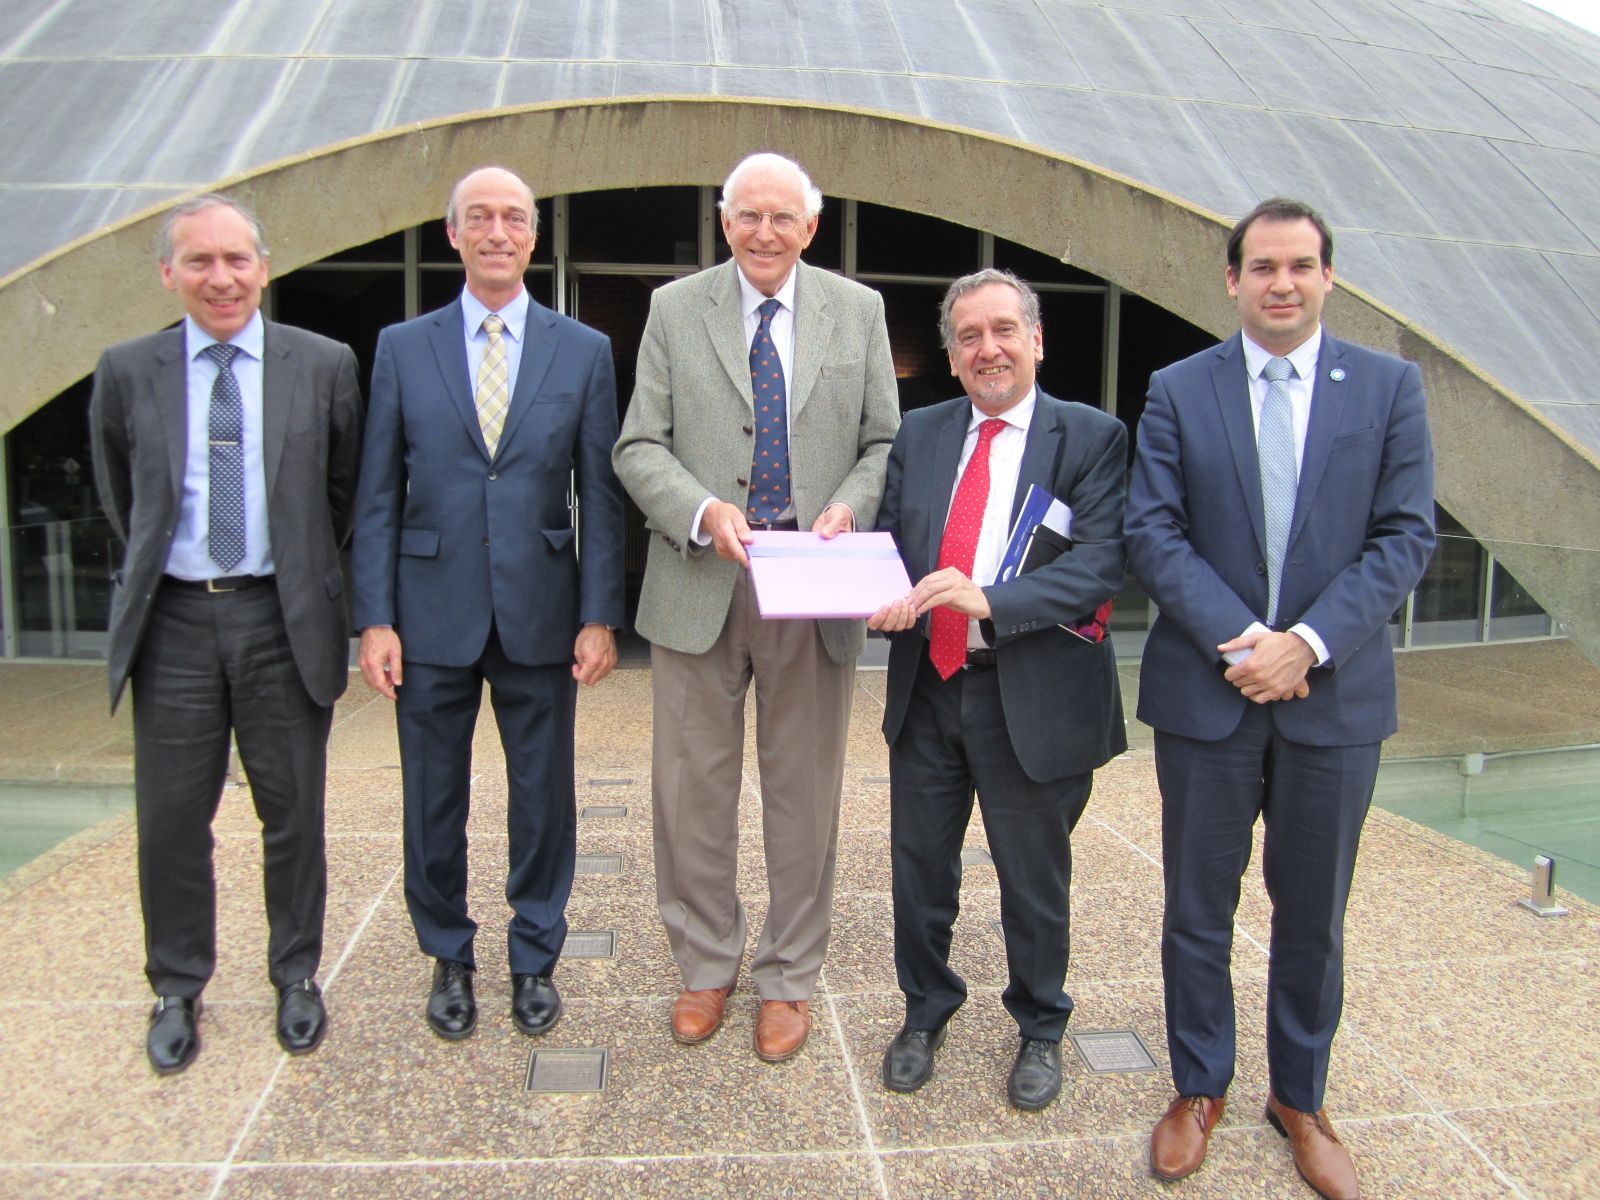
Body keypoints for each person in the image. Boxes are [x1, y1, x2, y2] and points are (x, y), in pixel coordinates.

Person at [1125, 198, 1435, 1200]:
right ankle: (1198, 1086)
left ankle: (1299, 1098)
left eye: (1301, 265)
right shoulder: (1179, 388)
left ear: (1328, 276)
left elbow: (1405, 535)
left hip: (1332, 701)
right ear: (1232, 280)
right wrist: (1246, 643)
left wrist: (1304, 644)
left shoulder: (1388, 388)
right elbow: (1152, 531)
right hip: (1208, 695)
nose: (1282, 283)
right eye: (1262, 266)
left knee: (1313, 913)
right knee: (1196, 908)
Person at [613, 151, 899, 1062]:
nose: (764, 232)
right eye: (748, 215)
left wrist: (849, 504)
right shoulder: (673, 309)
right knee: (690, 789)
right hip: (701, 575)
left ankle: (787, 976)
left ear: (811, 226)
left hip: (812, 581)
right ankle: (705, 964)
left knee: (803, 791)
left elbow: (883, 441)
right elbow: (638, 445)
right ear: (723, 221)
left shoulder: (858, 310)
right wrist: (702, 510)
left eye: (782, 217)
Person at [89, 194, 364, 1074]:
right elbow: (121, 497)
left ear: (264, 268)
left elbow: (340, 494)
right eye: (199, 261)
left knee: (293, 813)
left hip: (280, 615)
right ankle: (177, 985)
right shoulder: (126, 370)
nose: (221, 278)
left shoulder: (322, 364)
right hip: (173, 621)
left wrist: (296, 576)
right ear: (168, 273)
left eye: (236, 259)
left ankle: (296, 975)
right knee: (172, 819)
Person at [351, 166, 625, 1041]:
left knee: (542, 799)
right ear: (454, 234)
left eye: (513, 218)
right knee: (433, 798)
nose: (497, 232)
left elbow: (600, 494)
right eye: (480, 217)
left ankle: (534, 957)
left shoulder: (583, 350)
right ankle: (449, 957)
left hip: (541, 611)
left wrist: (598, 614)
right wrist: (375, 618)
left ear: (533, 238)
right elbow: (376, 494)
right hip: (428, 611)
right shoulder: (403, 346)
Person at [868, 269, 1127, 1110]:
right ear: (950, 356)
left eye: (1005, 330)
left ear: (1036, 340)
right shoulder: (921, 432)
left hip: (1032, 695)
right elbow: (892, 541)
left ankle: (1041, 1026)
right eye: (970, 336)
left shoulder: (1090, 438)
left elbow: (1099, 564)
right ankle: (925, 1012)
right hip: (929, 687)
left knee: (1033, 879)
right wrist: (874, 588)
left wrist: (992, 600)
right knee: (919, 872)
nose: (989, 349)